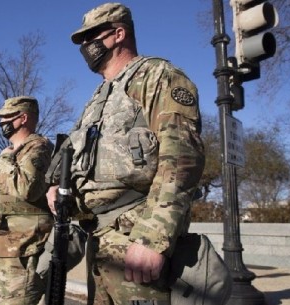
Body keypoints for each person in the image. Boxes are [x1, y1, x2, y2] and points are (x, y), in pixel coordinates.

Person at [45, 3, 205, 304]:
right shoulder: (98, 98)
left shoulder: (157, 76)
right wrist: (59, 188)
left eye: (91, 37)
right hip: (100, 241)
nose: (84, 46)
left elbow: (182, 158)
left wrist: (152, 239)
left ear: (119, 34)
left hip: (135, 239)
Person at [0, 96, 54, 305]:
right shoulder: (15, 152)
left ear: (23, 118)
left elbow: (26, 188)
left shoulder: (38, 147)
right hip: (0, 249)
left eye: (7, 117)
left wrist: (2, 160)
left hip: (20, 252)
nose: (2, 122)